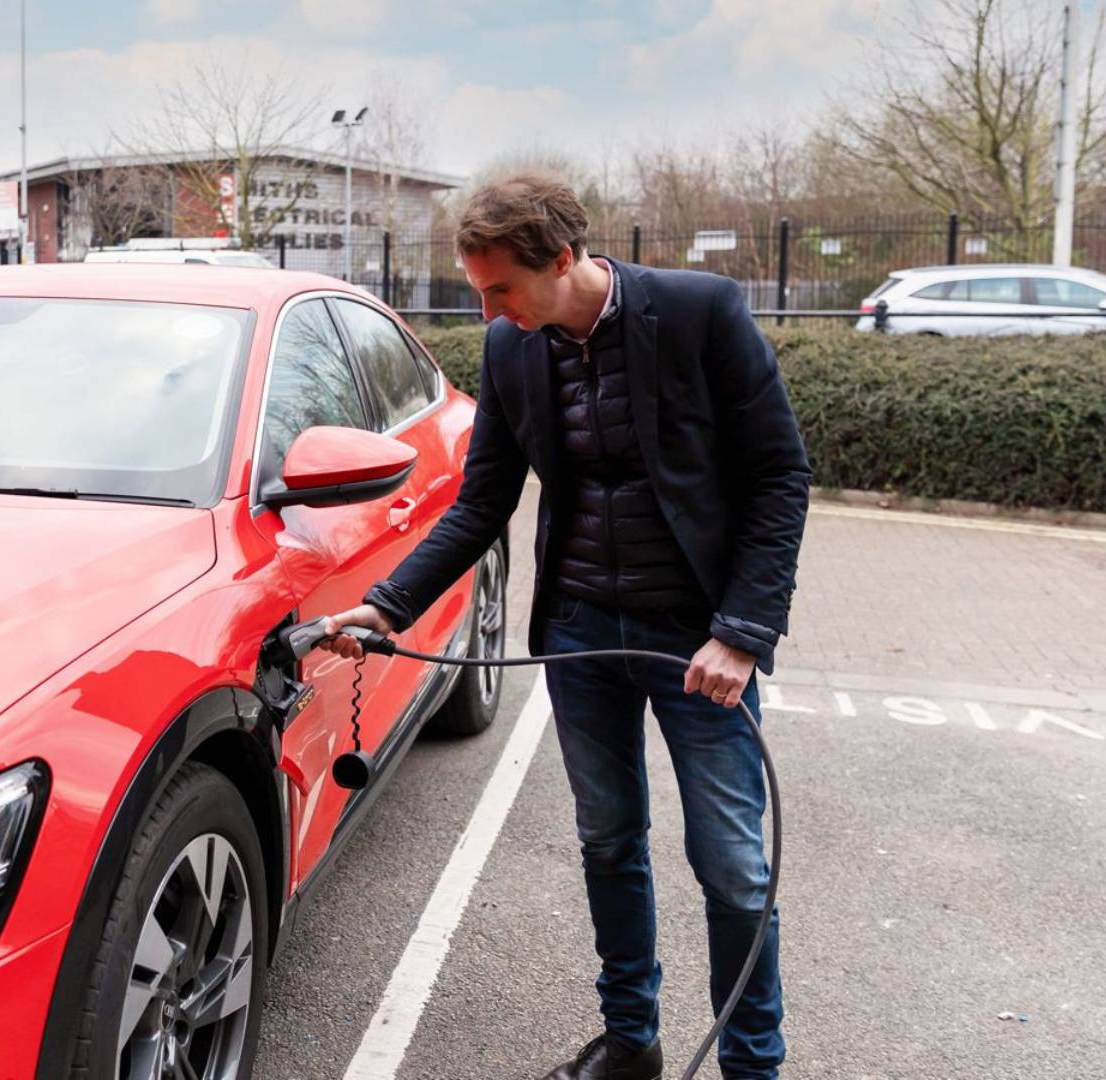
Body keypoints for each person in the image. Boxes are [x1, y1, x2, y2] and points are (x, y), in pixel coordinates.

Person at [319, 173, 809, 1080]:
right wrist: (387, 602)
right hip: (583, 637)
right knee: (607, 839)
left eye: (501, 287)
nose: (490, 309)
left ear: (562, 259)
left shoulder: (701, 313)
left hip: (701, 642)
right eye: (479, 292)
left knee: (734, 865)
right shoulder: (512, 351)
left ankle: (753, 1067)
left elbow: (780, 477)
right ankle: (632, 1046)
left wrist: (741, 631)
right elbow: (481, 505)